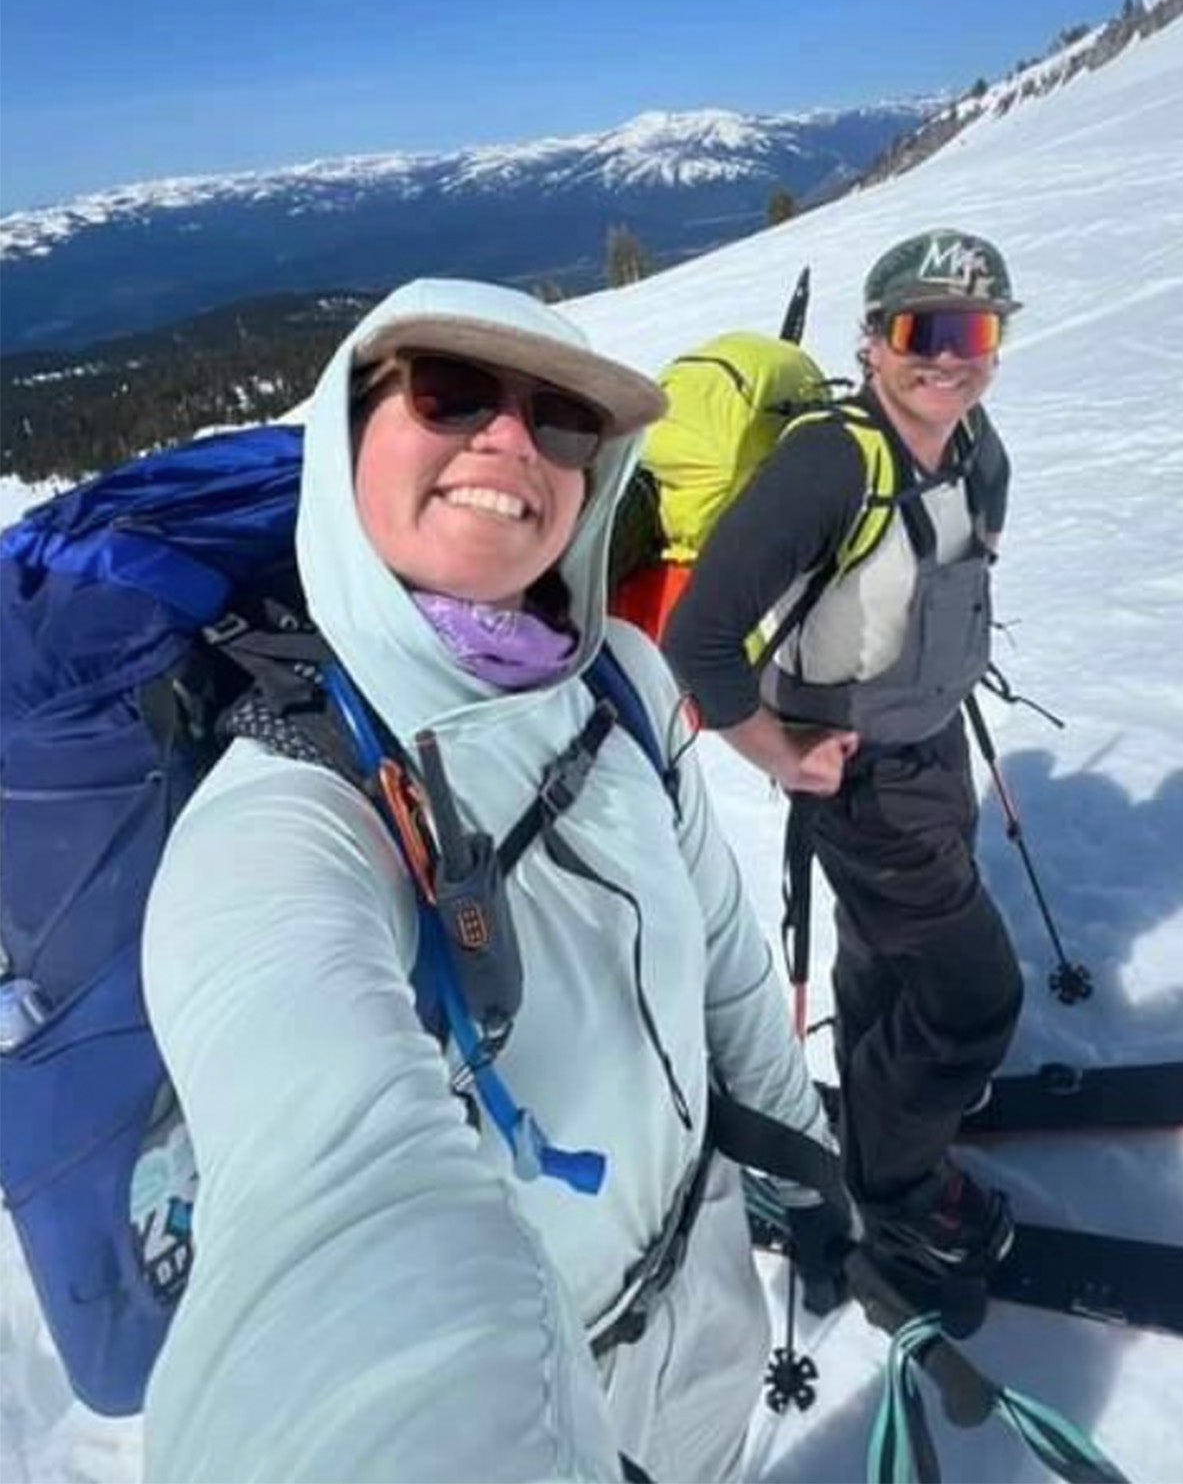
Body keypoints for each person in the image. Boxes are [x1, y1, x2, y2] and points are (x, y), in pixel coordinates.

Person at [140, 277, 834, 1484]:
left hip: (709, 1302)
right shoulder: (281, 821)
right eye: (451, 391)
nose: (511, 437)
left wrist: (806, 1160)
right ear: (349, 431)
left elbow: (721, 946)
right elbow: (339, 1208)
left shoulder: (619, 674)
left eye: (562, 418)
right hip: (563, 1409)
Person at [664, 229, 1025, 1296]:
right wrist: (780, 752)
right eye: (924, 331)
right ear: (873, 341)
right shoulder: (830, 460)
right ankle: (898, 1186)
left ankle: (879, 1096)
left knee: (889, 952)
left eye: (976, 330)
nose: (951, 356)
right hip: (860, 770)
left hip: (931, 741)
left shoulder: (970, 441)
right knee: (972, 1002)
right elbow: (700, 639)